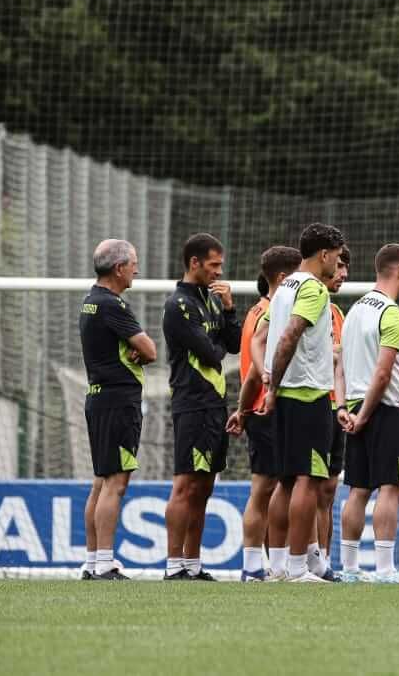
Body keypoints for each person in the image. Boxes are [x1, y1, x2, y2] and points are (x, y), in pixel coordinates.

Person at [263, 222, 347, 582]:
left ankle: (279, 565)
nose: (338, 265)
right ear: (324, 254)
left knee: (284, 481)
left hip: (286, 393)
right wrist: (274, 386)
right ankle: (298, 568)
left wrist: (272, 385)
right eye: (337, 258)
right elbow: (289, 336)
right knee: (307, 481)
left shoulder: (285, 287)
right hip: (308, 393)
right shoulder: (313, 289)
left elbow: (266, 336)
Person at [161, 233, 242, 581]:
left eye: (220, 265)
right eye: (213, 265)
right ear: (194, 263)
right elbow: (211, 353)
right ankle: (173, 565)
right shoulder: (178, 304)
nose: (218, 272)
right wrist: (217, 344)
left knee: (205, 487)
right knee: (186, 485)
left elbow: (234, 345)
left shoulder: (212, 301)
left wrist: (229, 309)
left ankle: (192, 565)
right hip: (191, 403)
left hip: (215, 404)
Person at [337, 243, 399, 583]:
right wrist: (367, 415)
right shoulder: (393, 313)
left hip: (355, 404)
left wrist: (344, 407)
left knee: (358, 488)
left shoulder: (354, 310)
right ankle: (385, 570)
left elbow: (340, 365)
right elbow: (383, 373)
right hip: (386, 409)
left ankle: (349, 568)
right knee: (390, 486)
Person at [79, 239, 156, 581]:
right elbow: (150, 350)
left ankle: (92, 561)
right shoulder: (113, 305)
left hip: (99, 398)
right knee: (115, 483)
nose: (136, 270)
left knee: (101, 482)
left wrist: (131, 348)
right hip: (118, 400)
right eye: (133, 263)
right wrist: (137, 348)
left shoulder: (90, 302)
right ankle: (105, 563)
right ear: (119, 267)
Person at [229, 245, 302, 581]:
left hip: (257, 407)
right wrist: (246, 407)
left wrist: (242, 409)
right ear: (284, 278)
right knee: (267, 489)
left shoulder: (256, 311)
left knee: (268, 488)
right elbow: (257, 372)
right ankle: (259, 566)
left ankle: (263, 566)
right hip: (267, 408)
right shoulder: (271, 314)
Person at [313, 249, 349, 575]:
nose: (344, 274)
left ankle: (323, 562)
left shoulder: (337, 311)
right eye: (339, 266)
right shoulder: (305, 301)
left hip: (336, 406)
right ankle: (284, 561)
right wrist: (335, 351)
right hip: (312, 404)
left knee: (328, 491)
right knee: (305, 486)